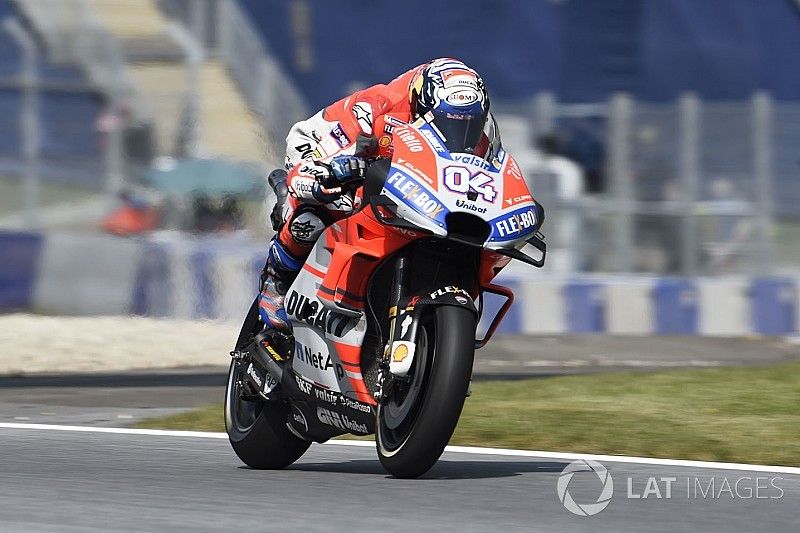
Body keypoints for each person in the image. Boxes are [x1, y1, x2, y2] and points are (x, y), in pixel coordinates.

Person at [258, 58, 499, 331]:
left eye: (470, 123)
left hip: (420, 206)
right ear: (423, 107)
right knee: (320, 210)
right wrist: (329, 170)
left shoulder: (483, 138)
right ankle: (276, 278)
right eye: (449, 122)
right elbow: (305, 142)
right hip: (349, 176)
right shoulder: (377, 107)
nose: (460, 133)